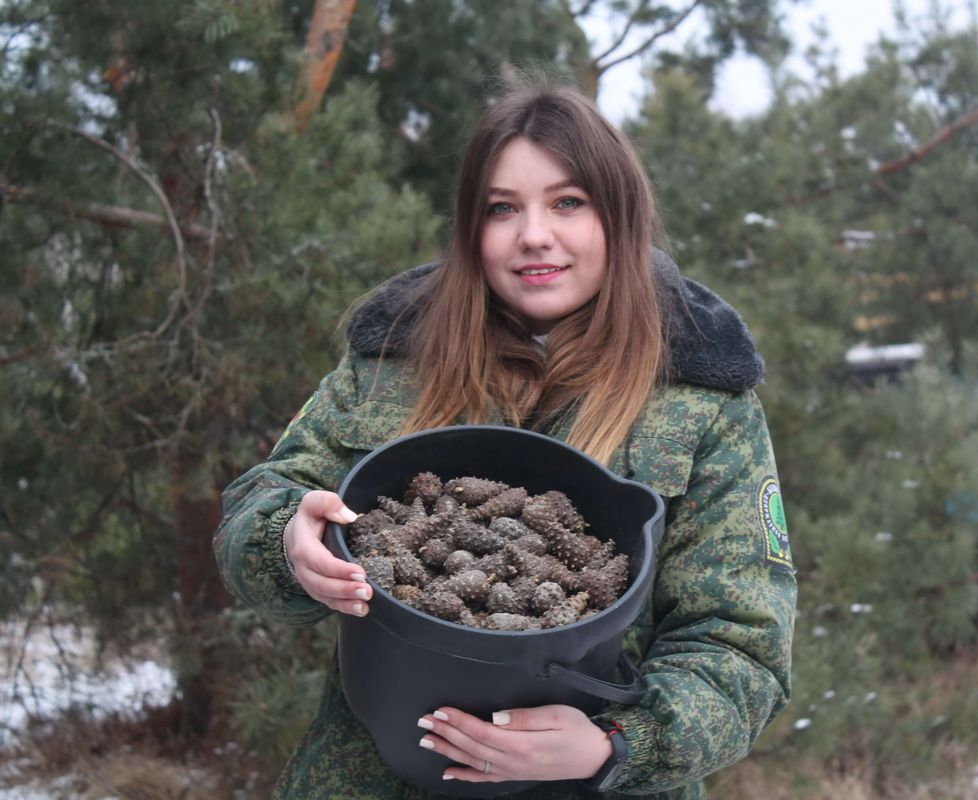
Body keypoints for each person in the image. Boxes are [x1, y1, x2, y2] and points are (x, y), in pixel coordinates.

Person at [214, 75, 797, 799]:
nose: (534, 235)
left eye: (568, 202)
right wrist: (286, 541)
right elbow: (263, 500)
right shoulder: (392, 358)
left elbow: (741, 647)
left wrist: (615, 744)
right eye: (502, 208)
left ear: (619, 216)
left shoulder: (704, 400)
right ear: (470, 228)